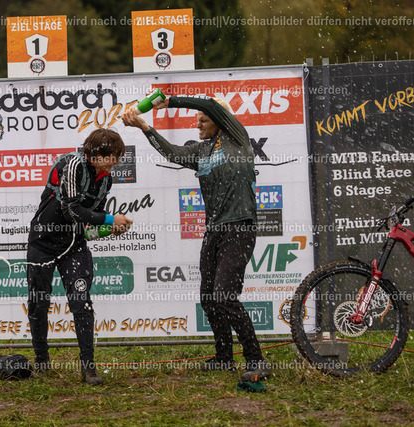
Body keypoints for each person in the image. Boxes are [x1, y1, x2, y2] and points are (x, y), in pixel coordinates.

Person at [122, 96, 271, 382]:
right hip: (214, 230)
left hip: (239, 227)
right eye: (198, 120)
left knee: (225, 295)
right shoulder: (201, 150)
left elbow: (211, 106)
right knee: (209, 297)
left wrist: (171, 102)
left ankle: (256, 360)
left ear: (220, 121)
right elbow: (172, 154)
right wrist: (145, 128)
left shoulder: (237, 137)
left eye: (203, 120)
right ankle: (224, 357)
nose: (198, 124)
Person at [27, 128, 133, 385]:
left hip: (74, 245)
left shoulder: (106, 180)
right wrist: (110, 219)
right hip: (43, 242)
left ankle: (88, 367)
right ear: (95, 154)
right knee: (39, 304)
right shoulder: (73, 165)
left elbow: (88, 223)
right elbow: (72, 210)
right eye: (113, 156)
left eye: (119, 156)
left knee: (81, 303)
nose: (117, 161)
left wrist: (109, 229)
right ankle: (42, 360)